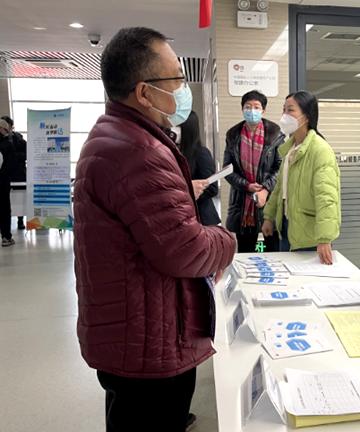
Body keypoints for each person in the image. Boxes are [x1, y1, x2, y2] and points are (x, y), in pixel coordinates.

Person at [73, 27, 236, 432]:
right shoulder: (138, 151)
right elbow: (184, 249)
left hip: (137, 327)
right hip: (148, 339)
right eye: (176, 79)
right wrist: (226, 240)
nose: (183, 89)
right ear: (144, 92)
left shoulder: (118, 137)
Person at [261, 90, 341, 265]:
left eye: (290, 110)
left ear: (306, 116)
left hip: (311, 236)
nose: (284, 115)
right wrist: (269, 217)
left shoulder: (320, 150)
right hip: (288, 227)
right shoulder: (290, 149)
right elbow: (280, 189)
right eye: (284, 110)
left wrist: (325, 238)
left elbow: (327, 198)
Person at [224, 90, 284, 252]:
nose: (252, 111)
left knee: (271, 253)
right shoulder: (233, 134)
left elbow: (280, 166)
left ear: (263, 110)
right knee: (246, 255)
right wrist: (247, 186)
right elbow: (227, 170)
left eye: (256, 107)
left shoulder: (275, 133)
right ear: (242, 109)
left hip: (268, 203)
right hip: (242, 205)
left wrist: (265, 188)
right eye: (248, 106)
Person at [174, 110, 220, 225]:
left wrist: (189, 190)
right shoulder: (171, 151)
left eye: (177, 125)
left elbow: (212, 188)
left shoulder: (201, 153)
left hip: (201, 218)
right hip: (180, 215)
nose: (172, 129)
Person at [2, 116, 26, 230]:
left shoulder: (18, 138)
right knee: (5, 200)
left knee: (20, 197)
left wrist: (14, 157)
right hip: (4, 174)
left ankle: (20, 220)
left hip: (18, 173)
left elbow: (26, 153)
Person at [0, 119, 16, 247]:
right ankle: (6, 237)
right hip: (2, 182)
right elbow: (11, 165)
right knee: (4, 209)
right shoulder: (7, 144)